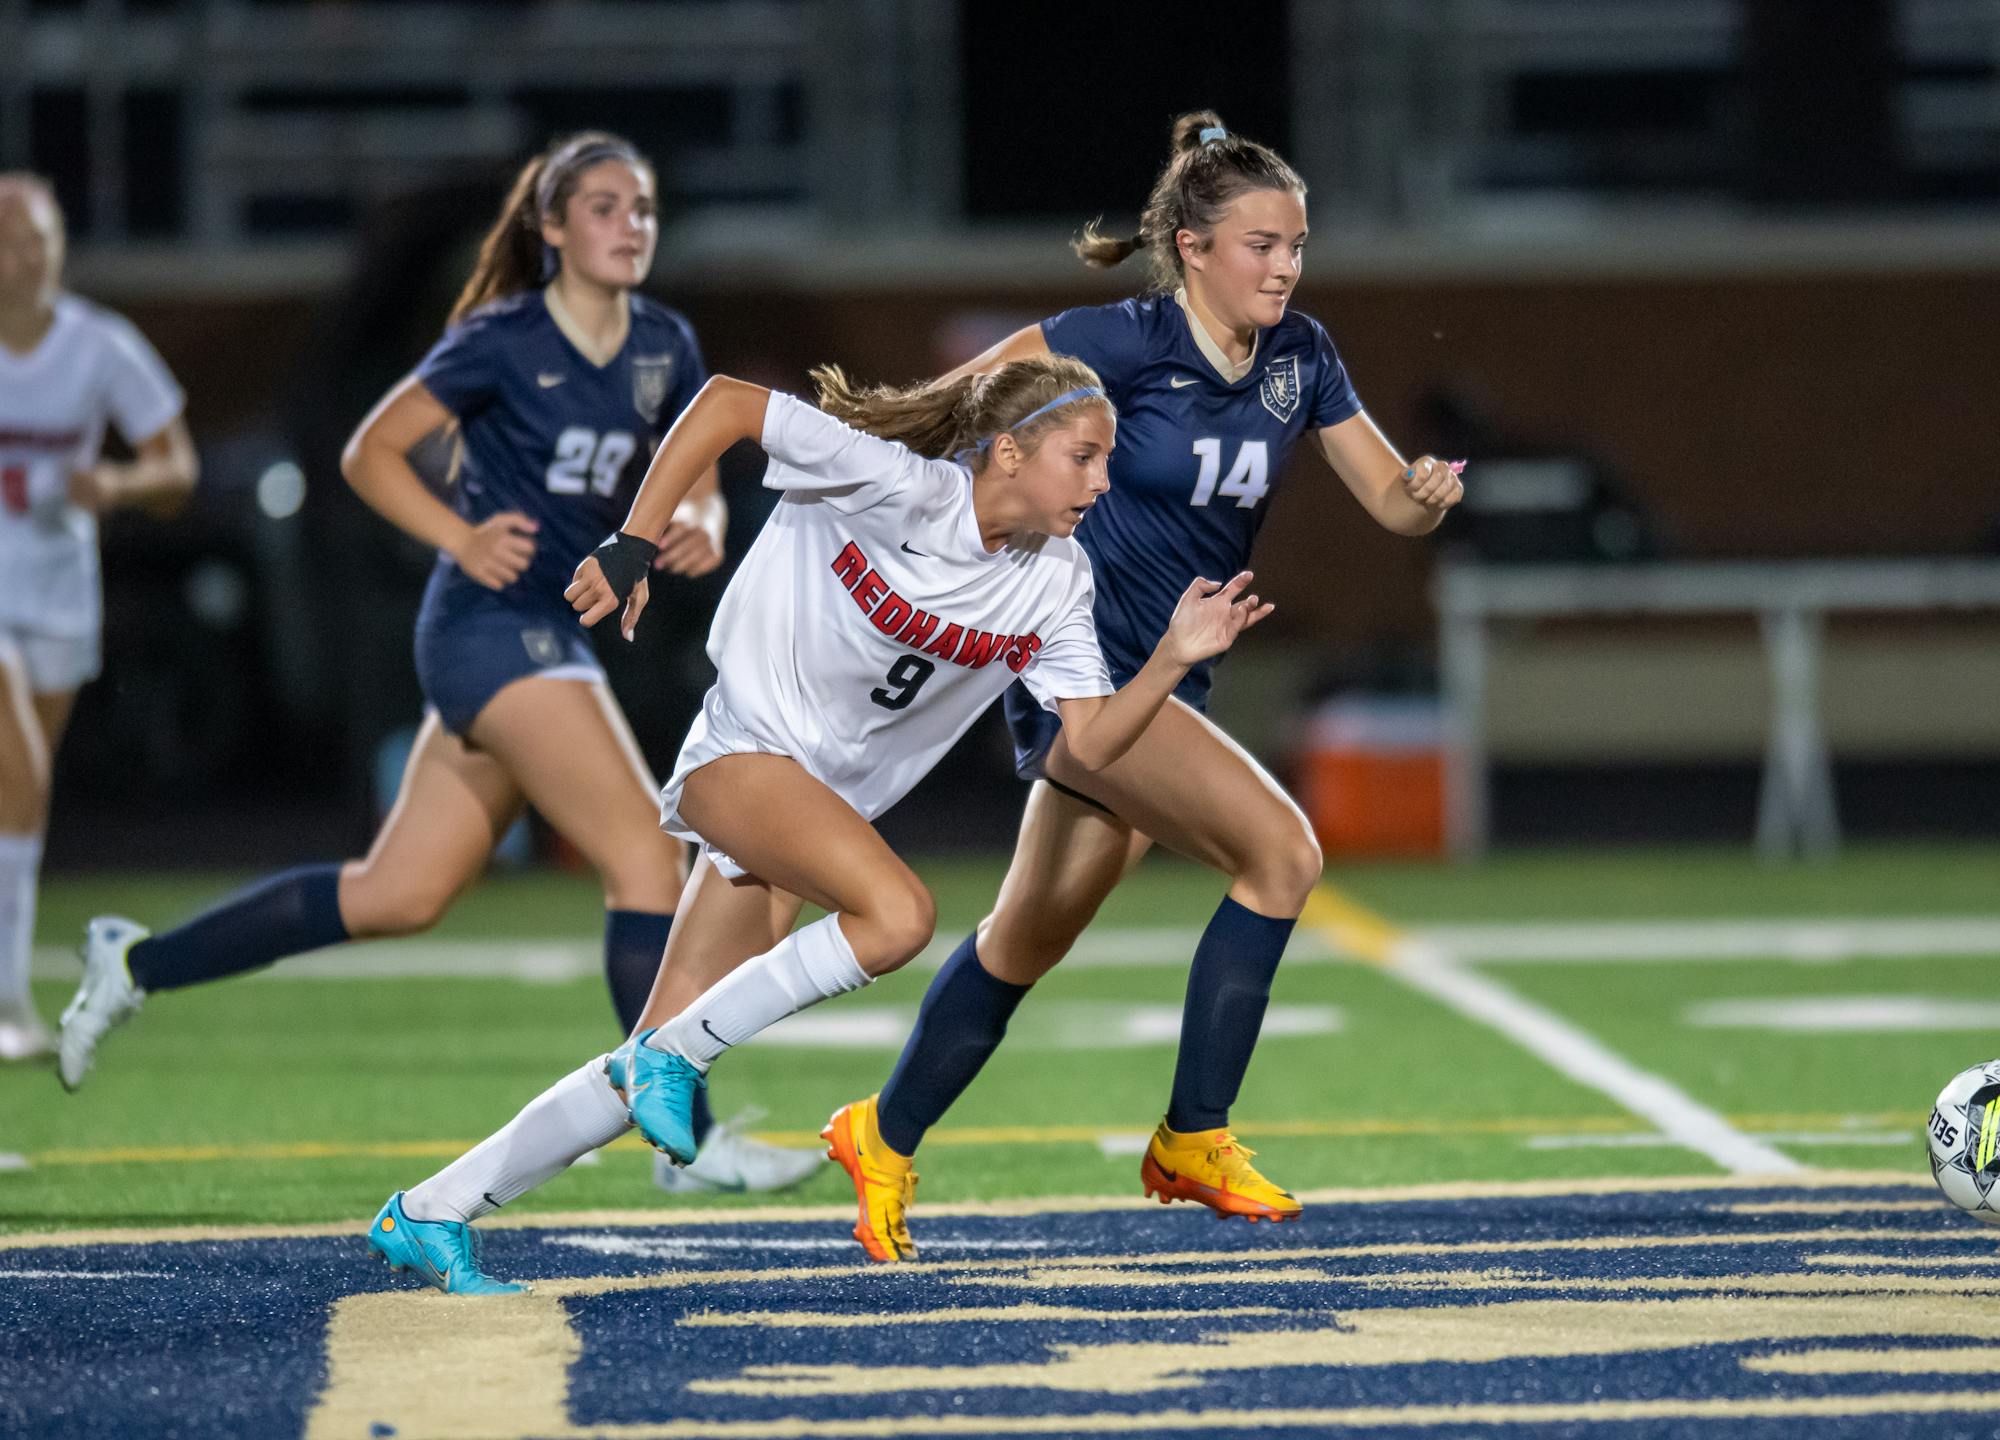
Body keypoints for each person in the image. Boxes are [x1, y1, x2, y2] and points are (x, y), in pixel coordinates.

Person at [365, 354, 1270, 1293]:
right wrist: (634, 541)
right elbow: (723, 405)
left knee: (641, 1064)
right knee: (897, 917)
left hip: (805, 820)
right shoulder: (891, 481)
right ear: (1009, 452)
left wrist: (1168, 659)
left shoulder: (1056, 580)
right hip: (740, 756)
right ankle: (669, 1059)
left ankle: (432, 1210)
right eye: (1084, 457)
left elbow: (1091, 739)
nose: (1102, 480)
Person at [54, 133, 817, 1192]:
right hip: (489, 626)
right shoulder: (501, 337)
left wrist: (694, 518)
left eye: (641, 207)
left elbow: (687, 468)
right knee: (648, 861)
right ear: (551, 228)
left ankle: (134, 961)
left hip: (540, 635)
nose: (631, 225)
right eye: (604, 206)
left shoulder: (663, 341)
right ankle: (680, 1140)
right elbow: (369, 450)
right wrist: (457, 536)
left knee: (396, 893)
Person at [837, 110, 1465, 1259]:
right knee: (1283, 855)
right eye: (1262, 245)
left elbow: (1384, 498)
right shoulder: (1112, 344)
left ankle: (881, 1134)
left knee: (1024, 940)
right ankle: (1193, 1135)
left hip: (1176, 677)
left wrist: (1423, 493)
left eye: (1297, 246)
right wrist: (857, 474)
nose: (1285, 266)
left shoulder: (1301, 357)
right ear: (1191, 247)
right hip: (1087, 673)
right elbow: (955, 413)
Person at [0, 173, 198, 1063]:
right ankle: (5, 1004)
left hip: (57, 591)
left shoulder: (98, 346)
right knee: (21, 772)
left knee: (21, 805)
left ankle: (8, 1000)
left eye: (36, 237)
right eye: (7, 239)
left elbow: (177, 469)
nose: (23, 256)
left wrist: (114, 482)